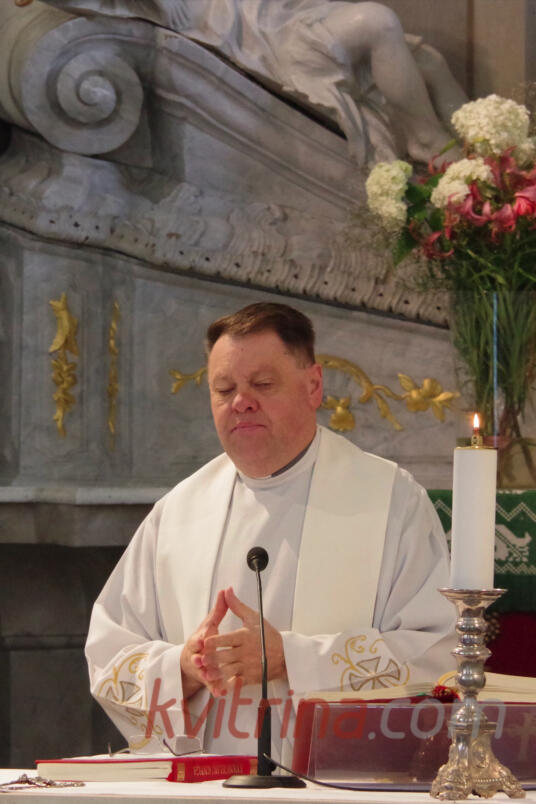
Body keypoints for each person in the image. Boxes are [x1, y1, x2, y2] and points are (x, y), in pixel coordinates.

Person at [86, 301, 455, 763]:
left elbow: (438, 654)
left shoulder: (391, 501)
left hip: (341, 783)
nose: (242, 401)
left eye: (262, 384)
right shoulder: (177, 513)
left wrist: (292, 660)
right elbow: (109, 657)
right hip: (206, 786)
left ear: (314, 385)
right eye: (224, 389)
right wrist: (182, 666)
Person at [36, 0, 466, 163]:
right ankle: (428, 143)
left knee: (428, 62)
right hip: (267, 43)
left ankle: (488, 171)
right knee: (377, 23)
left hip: (290, 13)